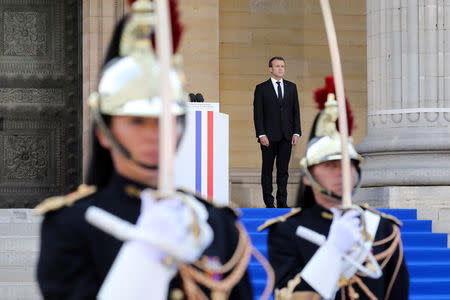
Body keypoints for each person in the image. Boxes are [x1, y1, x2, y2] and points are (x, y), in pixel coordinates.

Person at [35, 1, 257, 299]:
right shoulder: (71, 225)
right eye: (137, 121)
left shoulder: (215, 222)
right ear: (104, 133)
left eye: (165, 121)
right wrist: (143, 259)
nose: (155, 135)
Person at [259, 77, 409, 299]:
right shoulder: (287, 231)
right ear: (308, 177)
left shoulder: (383, 230)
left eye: (347, 164)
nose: (340, 172)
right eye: (329, 165)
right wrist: (332, 251)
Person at [253, 57, 301, 208]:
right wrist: (261, 134)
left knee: (283, 170)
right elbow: (258, 113)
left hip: (286, 136)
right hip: (268, 137)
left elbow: (296, 111)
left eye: (282, 66)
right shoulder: (261, 88)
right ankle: (268, 202)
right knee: (267, 170)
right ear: (270, 69)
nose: (280, 69)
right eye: (277, 66)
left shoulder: (292, 87)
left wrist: (296, 132)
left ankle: (282, 202)